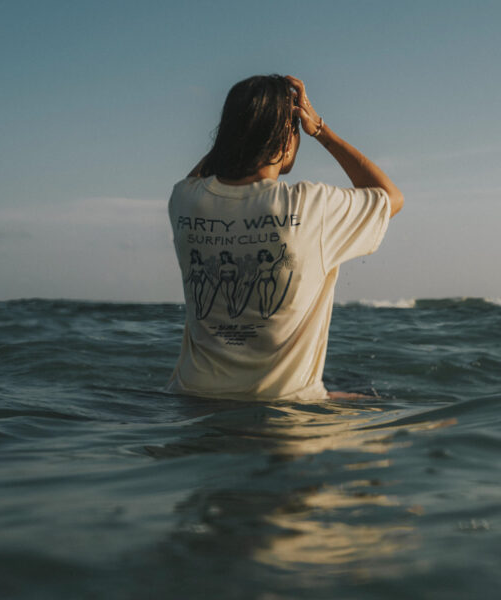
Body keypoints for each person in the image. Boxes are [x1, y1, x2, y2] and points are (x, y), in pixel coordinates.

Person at [167, 75, 403, 401]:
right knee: (401, 411)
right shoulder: (310, 207)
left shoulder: (185, 201)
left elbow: (199, 179)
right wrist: (320, 130)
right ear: (287, 137)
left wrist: (238, 133)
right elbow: (390, 197)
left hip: (191, 401)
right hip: (283, 411)